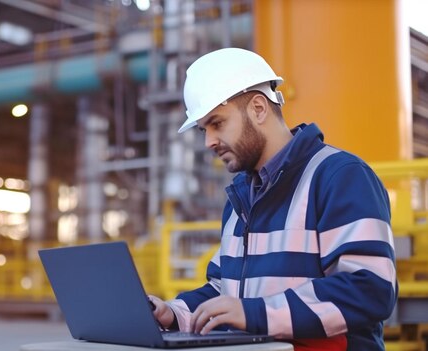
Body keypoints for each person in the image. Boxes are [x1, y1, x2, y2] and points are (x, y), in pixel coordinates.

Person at [149, 48, 397, 351]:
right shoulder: (241, 196)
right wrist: (173, 313)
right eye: (204, 129)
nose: (209, 141)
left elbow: (370, 289)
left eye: (217, 123)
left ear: (258, 108)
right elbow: (225, 292)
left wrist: (256, 314)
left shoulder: (339, 176)